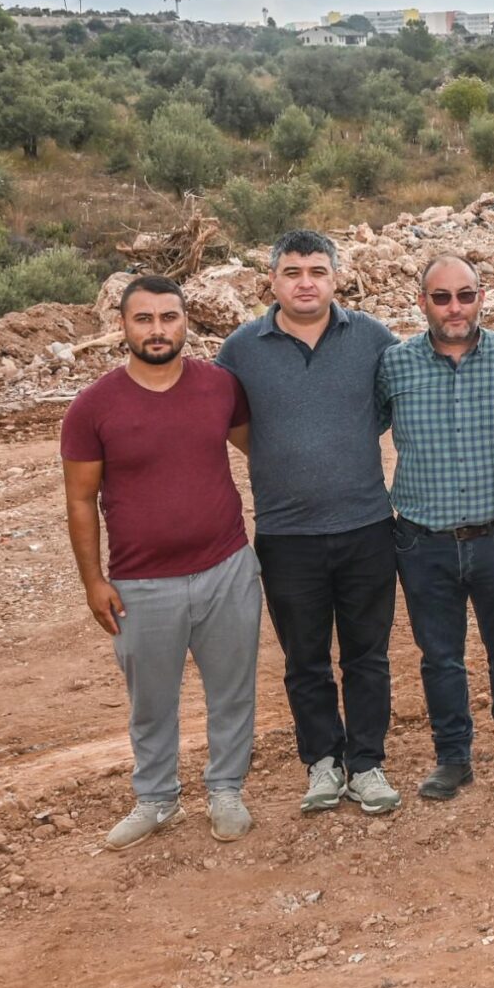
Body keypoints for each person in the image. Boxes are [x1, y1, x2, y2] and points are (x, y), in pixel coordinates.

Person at [61, 275, 261, 850]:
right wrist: (93, 581)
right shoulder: (93, 407)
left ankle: (226, 789)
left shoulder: (221, 387)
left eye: (168, 317)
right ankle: (156, 798)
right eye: (143, 319)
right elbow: (80, 500)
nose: (157, 330)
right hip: (140, 584)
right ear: (122, 325)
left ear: (186, 322)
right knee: (151, 702)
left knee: (232, 691)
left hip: (227, 569)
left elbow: (262, 451)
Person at [216, 230, 404, 818]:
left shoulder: (372, 337)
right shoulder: (242, 348)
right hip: (286, 534)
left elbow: (396, 405)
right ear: (271, 280)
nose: (305, 282)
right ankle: (323, 762)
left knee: (367, 655)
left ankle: (368, 764)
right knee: (305, 658)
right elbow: (234, 424)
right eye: (292, 271)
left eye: (317, 271)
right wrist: (283, 455)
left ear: (336, 278)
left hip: (367, 526)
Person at [378, 254, 494, 800]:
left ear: (481, 297)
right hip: (421, 541)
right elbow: (357, 433)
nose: (455, 308)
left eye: (466, 295)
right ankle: (452, 758)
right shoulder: (393, 366)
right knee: (440, 657)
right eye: (442, 297)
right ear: (422, 301)